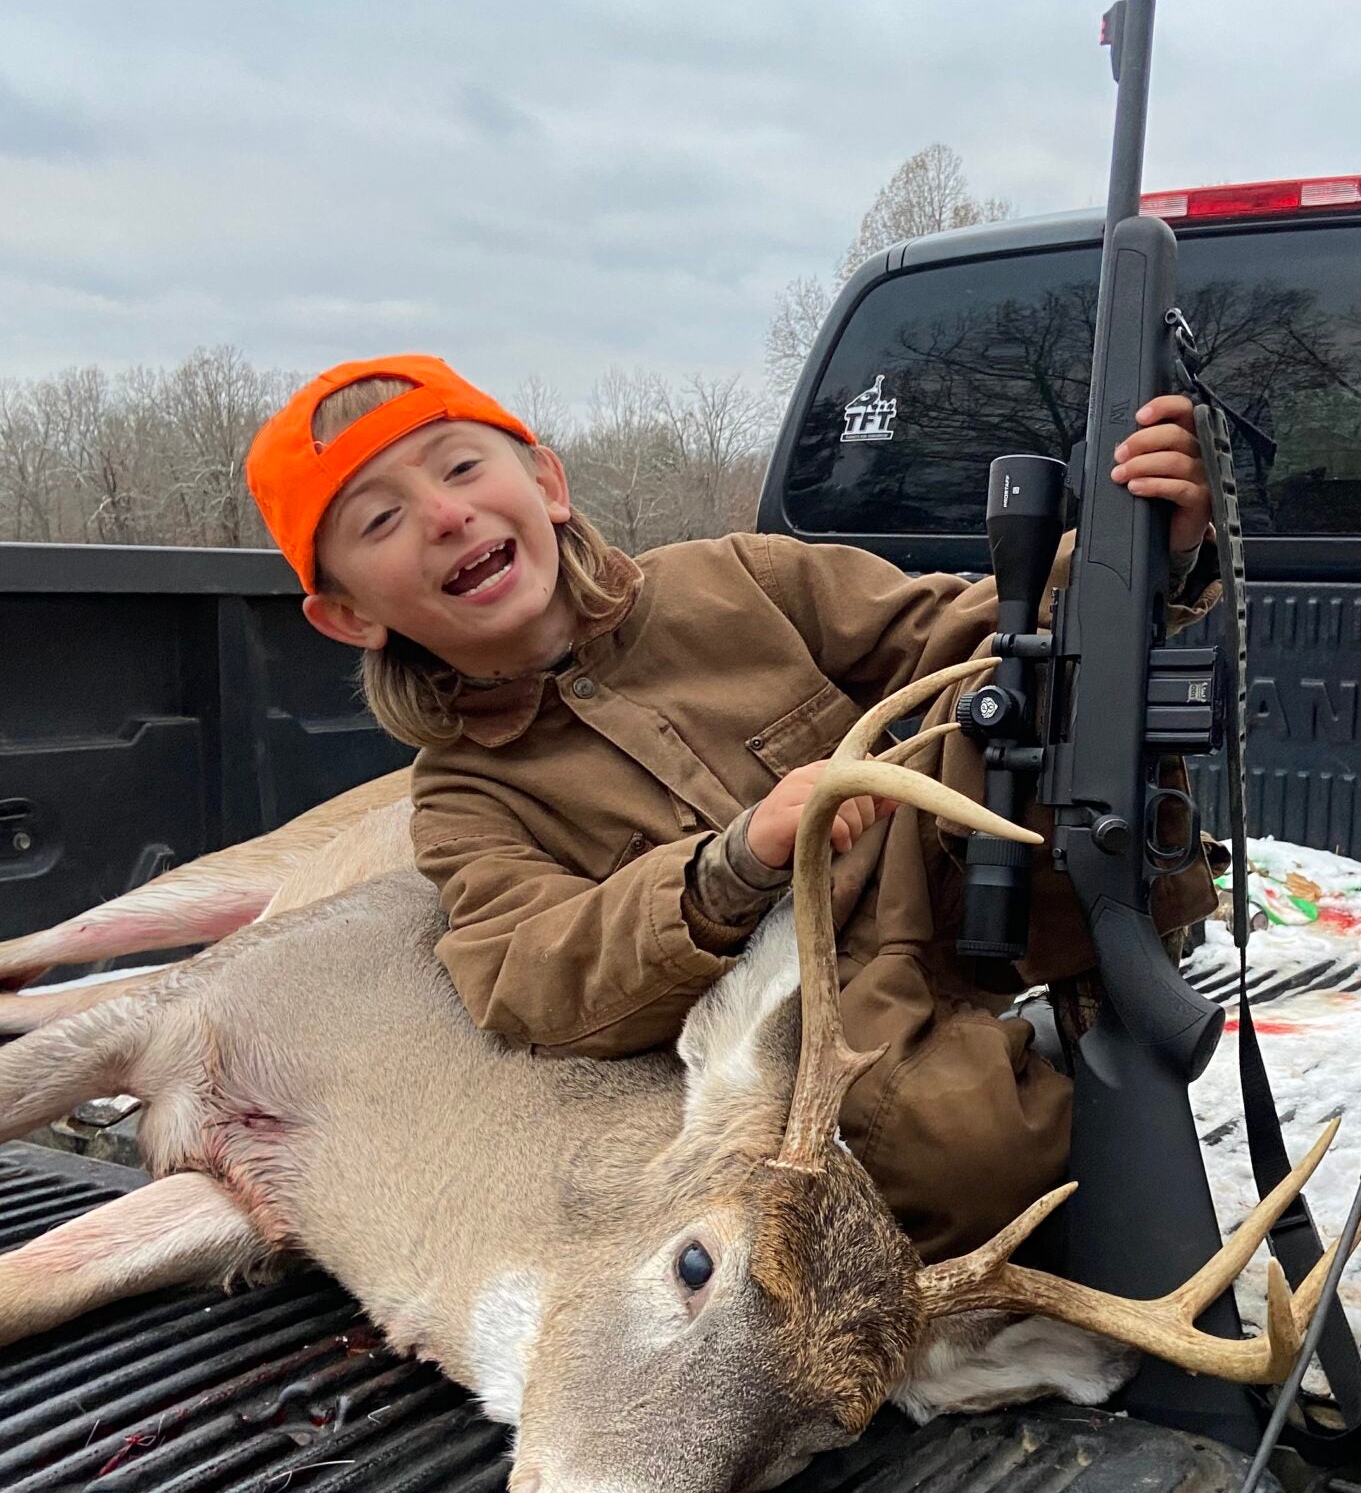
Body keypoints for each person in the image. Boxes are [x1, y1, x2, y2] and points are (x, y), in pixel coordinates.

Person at [244, 355, 1219, 1258]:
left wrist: (1142, 559)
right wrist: (733, 862)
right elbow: (529, 975)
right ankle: (1038, 1104)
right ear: (349, 614)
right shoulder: (464, 797)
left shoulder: (735, 579)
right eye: (379, 519)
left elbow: (959, 629)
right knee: (955, 1155)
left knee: (1022, 696)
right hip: (807, 1009)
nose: (444, 516)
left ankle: (1111, 984)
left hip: (940, 895)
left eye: (459, 468)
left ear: (544, 484)